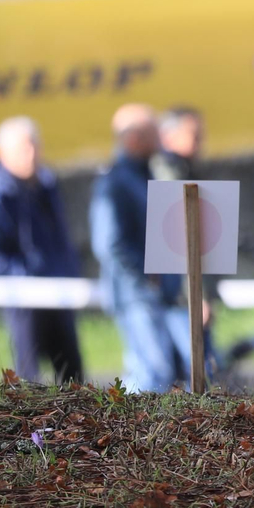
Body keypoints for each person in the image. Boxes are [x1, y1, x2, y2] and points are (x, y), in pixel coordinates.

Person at [0, 116, 83, 384]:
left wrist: (67, 270)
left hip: (59, 291)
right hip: (25, 299)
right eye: (23, 148)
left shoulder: (47, 184)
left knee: (75, 379)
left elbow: (61, 237)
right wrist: (26, 278)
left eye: (35, 146)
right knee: (29, 383)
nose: (32, 154)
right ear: (4, 153)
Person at [90, 103, 189, 392]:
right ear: (132, 138)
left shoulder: (145, 176)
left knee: (162, 371)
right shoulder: (115, 182)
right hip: (135, 296)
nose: (160, 137)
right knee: (151, 374)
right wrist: (147, 276)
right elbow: (108, 243)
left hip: (152, 294)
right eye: (152, 131)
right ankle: (132, 435)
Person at [151, 106, 214, 358]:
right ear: (169, 136)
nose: (200, 141)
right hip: (177, 293)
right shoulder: (166, 174)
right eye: (194, 134)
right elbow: (179, 241)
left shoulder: (184, 170)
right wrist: (197, 296)